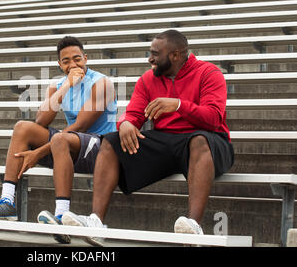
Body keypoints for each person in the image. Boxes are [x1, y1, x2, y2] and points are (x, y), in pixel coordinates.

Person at [61, 29, 234, 246]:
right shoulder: (148, 79)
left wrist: (179, 105)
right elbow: (134, 113)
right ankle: (96, 222)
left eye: (155, 54)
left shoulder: (209, 73)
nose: (150, 58)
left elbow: (214, 118)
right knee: (111, 141)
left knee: (198, 140)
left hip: (209, 140)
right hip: (166, 140)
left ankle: (193, 226)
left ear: (175, 55)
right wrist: (125, 123)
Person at [0, 35, 117, 244]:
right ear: (60, 65)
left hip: (101, 149)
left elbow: (82, 126)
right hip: (70, 145)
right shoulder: (59, 84)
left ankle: (61, 215)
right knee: (23, 128)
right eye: (66, 61)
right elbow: (41, 119)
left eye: (77, 59)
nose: (73, 64)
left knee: (61, 139)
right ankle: (7, 201)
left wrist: (40, 152)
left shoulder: (102, 82)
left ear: (86, 58)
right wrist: (65, 86)